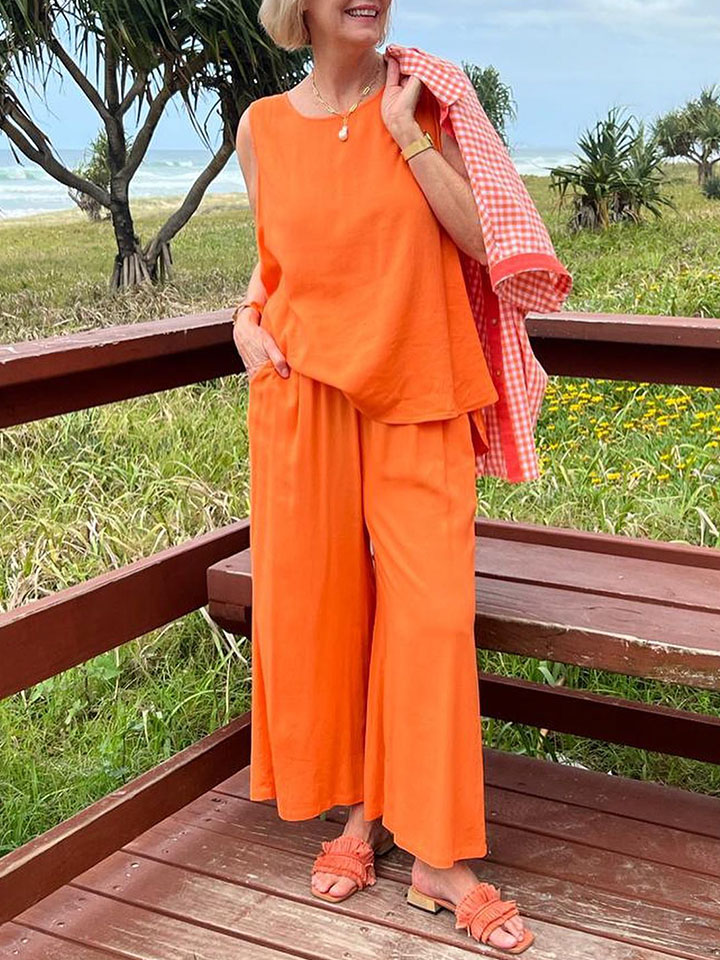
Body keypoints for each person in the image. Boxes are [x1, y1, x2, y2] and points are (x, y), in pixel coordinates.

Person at [233, 0, 533, 952]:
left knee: (432, 620)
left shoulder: (426, 99)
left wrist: (407, 136)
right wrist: (243, 318)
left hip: (421, 387)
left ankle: (440, 857)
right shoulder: (261, 128)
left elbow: (486, 241)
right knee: (329, 612)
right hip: (306, 396)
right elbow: (279, 259)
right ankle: (362, 814)